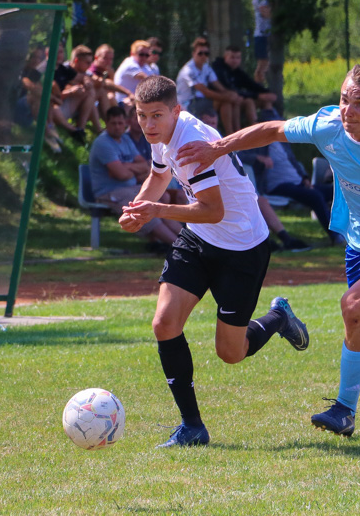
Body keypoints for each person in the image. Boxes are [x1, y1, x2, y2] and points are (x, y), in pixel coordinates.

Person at [178, 64, 360, 437]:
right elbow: (273, 130)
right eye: (343, 100)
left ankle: (344, 410)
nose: (347, 111)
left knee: (353, 307)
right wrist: (217, 146)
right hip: (359, 247)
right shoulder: (328, 126)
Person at [122, 75, 310, 447]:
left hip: (242, 247)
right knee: (164, 323)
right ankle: (192, 426)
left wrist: (155, 211)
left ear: (177, 110)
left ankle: (278, 317)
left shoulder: (191, 140)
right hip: (198, 240)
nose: (148, 124)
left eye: (156, 115)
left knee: (231, 353)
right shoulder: (161, 137)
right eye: (142, 116)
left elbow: (212, 210)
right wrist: (138, 208)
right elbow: (157, 178)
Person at [191, 105, 311, 252]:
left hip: (229, 191)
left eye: (214, 123)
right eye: (207, 123)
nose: (210, 127)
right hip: (205, 196)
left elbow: (236, 153)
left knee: (259, 200)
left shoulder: (218, 139)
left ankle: (280, 239)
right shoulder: (191, 144)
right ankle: (264, 241)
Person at [89, 105, 181, 250]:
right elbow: (121, 175)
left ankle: (187, 241)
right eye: (113, 123)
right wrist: (130, 169)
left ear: (124, 123)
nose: (118, 127)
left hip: (129, 187)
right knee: (141, 208)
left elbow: (144, 165)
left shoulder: (125, 140)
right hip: (110, 191)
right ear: (106, 123)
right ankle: (177, 246)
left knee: (162, 199)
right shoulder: (103, 143)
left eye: (120, 123)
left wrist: (127, 166)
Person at [261, 141, 342, 244]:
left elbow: (293, 161)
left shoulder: (282, 142)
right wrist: (259, 158)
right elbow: (243, 156)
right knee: (315, 196)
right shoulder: (259, 144)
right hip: (278, 186)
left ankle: (353, 230)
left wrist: (305, 178)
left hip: (298, 183)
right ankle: (336, 236)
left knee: (338, 191)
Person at [176, 37, 242, 135]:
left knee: (229, 102)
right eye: (200, 53)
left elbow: (219, 86)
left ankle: (237, 134)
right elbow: (205, 92)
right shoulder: (188, 70)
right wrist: (229, 97)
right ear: (193, 53)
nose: (203, 56)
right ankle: (232, 135)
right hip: (188, 105)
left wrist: (232, 96)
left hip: (202, 101)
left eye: (206, 53)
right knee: (226, 100)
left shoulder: (206, 67)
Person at [212, 45, 279, 127]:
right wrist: (258, 96)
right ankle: (254, 127)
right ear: (225, 57)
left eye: (238, 58)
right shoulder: (219, 69)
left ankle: (271, 126)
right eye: (232, 57)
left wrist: (266, 93)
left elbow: (250, 84)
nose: (235, 61)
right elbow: (229, 89)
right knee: (248, 101)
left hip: (236, 98)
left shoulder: (237, 71)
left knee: (265, 101)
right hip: (218, 100)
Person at [114, 40, 152, 106]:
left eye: (147, 55)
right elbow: (148, 79)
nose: (144, 57)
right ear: (132, 53)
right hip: (122, 102)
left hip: (135, 100)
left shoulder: (145, 66)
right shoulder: (130, 64)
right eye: (141, 54)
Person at [252, 0, 271, 85]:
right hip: (261, 34)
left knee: (269, 66)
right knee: (262, 66)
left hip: (272, 35)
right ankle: (258, 90)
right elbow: (265, 12)